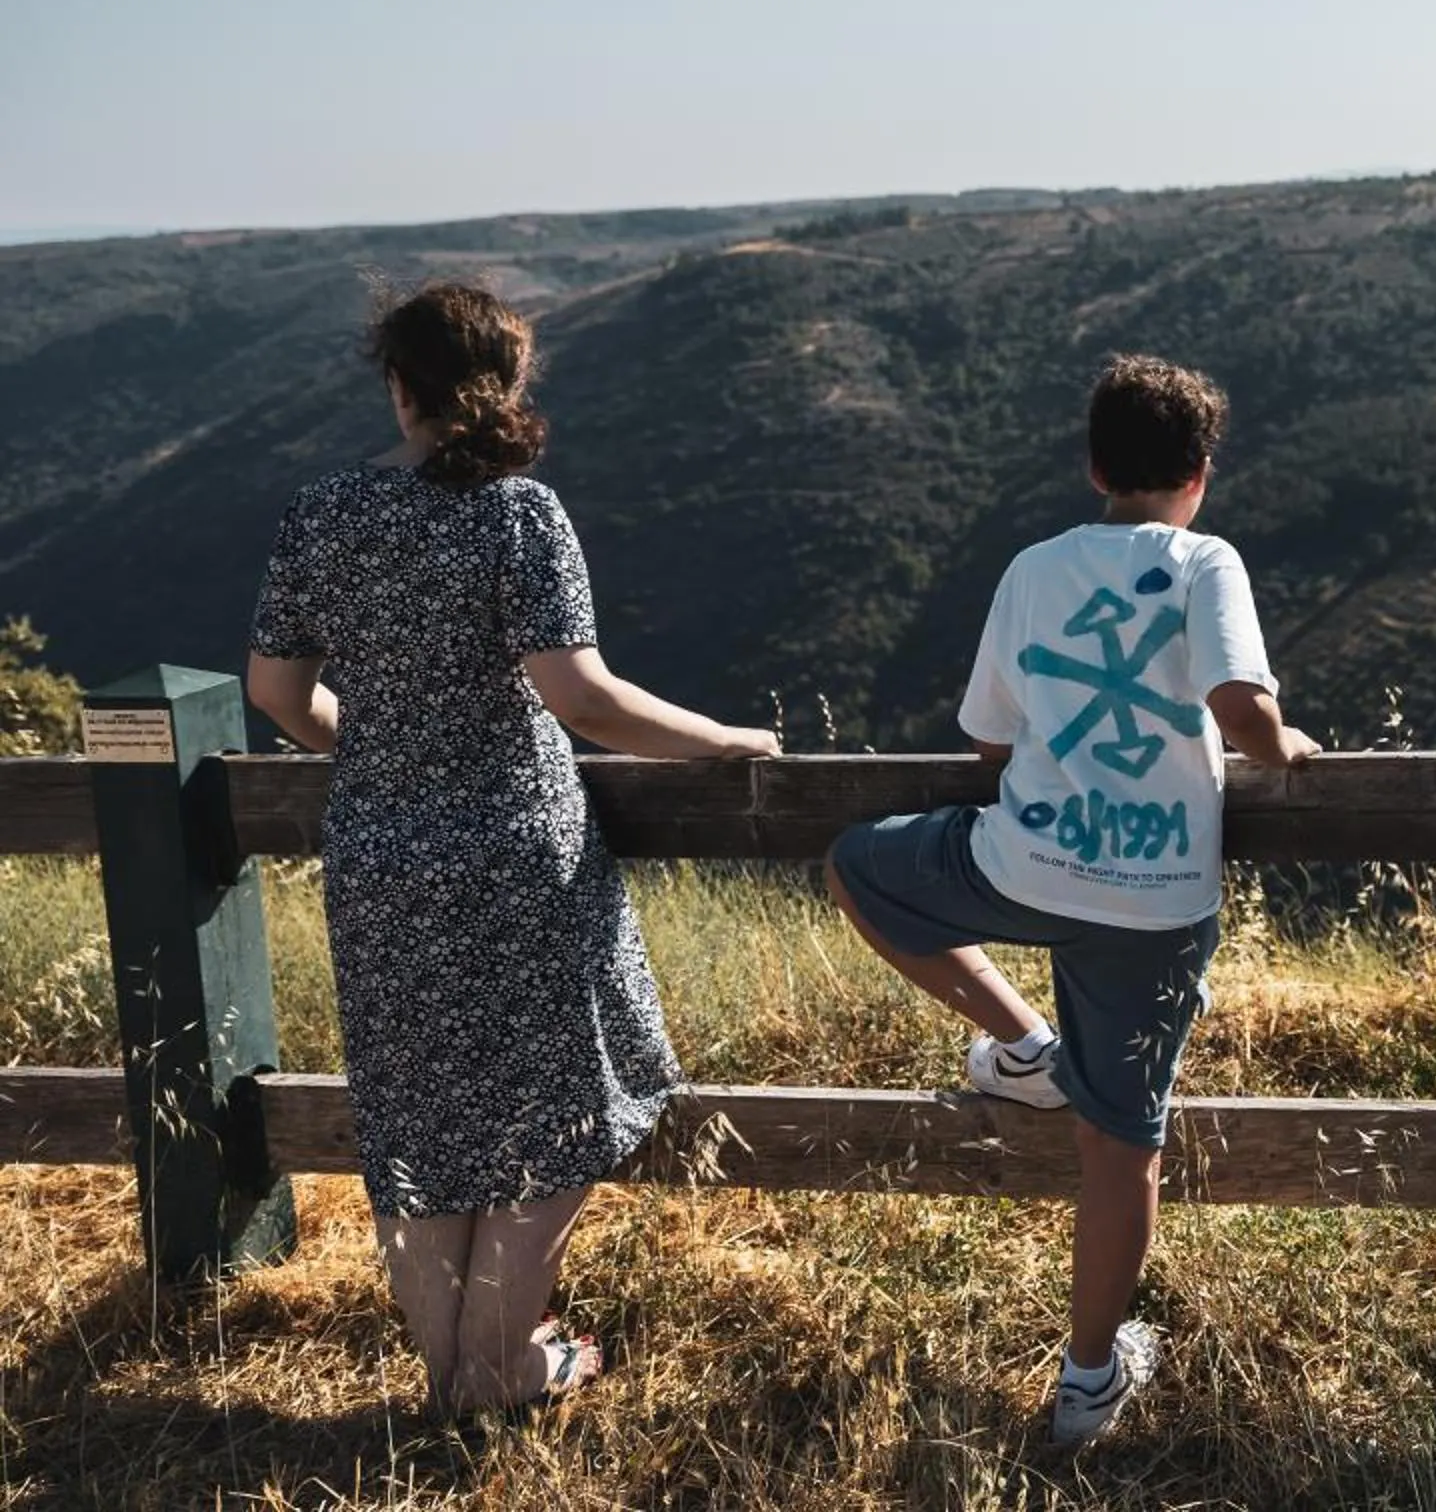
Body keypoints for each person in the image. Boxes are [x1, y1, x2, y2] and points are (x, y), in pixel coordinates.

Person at [246, 281, 779, 1416]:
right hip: (512, 856)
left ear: (399, 385)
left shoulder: (321, 513)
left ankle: (456, 1381)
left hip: (379, 861)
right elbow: (580, 697)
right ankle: (496, 1375)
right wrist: (724, 737)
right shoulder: (517, 516)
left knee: (421, 1122)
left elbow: (277, 692)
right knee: (567, 1106)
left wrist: (387, 749)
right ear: (509, 383)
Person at [824, 352, 1313, 1447]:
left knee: (860, 865)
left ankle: (1022, 1043)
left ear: (1096, 466)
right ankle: (1088, 1380)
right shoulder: (1205, 560)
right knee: (1123, 1146)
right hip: (1154, 898)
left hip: (1025, 863)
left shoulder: (1034, 567)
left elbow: (989, 736)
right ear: (1201, 472)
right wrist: (1285, 742)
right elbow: (1242, 707)